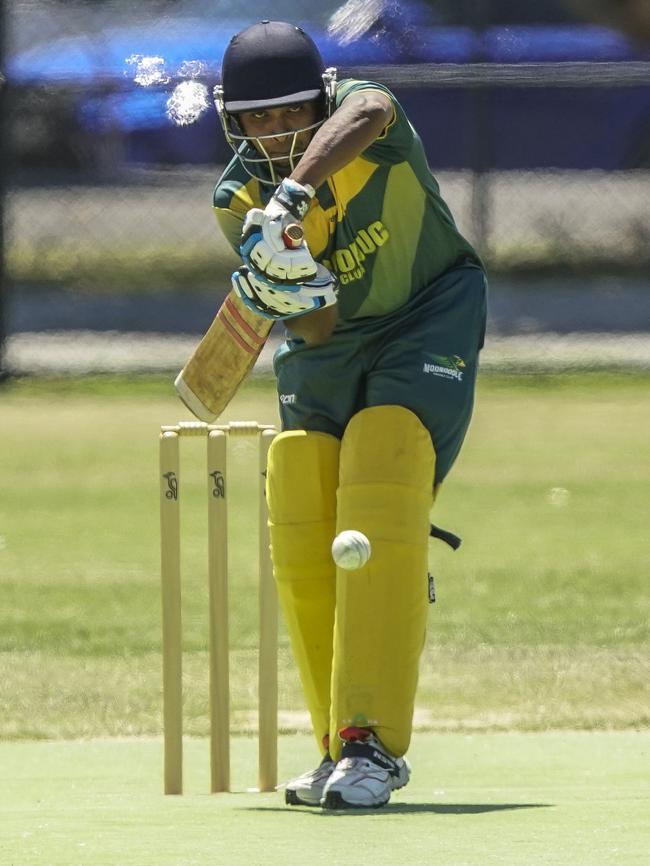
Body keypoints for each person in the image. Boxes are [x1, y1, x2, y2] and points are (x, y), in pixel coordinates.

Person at [212, 20, 487, 809]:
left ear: (319, 100)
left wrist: (295, 191)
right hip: (332, 348)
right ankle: (335, 742)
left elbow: (366, 109)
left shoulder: (368, 120)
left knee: (385, 449)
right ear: (234, 122)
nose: (272, 131)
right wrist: (285, 281)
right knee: (297, 474)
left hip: (427, 315)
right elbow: (316, 329)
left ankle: (374, 745)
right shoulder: (236, 197)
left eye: (288, 112)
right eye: (256, 119)